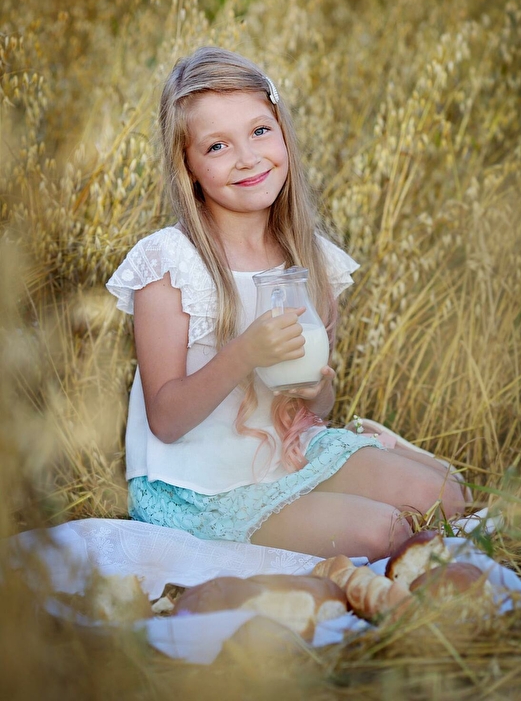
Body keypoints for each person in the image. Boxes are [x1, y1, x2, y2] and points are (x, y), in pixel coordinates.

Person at [106, 46, 466, 561]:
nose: (248, 158)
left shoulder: (308, 257)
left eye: (259, 131)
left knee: (447, 497)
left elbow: (311, 405)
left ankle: (358, 472)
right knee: (385, 532)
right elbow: (165, 419)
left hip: (287, 456)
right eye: (217, 146)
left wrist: (318, 392)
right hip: (201, 486)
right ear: (188, 167)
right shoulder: (169, 262)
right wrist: (245, 353)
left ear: (282, 132)